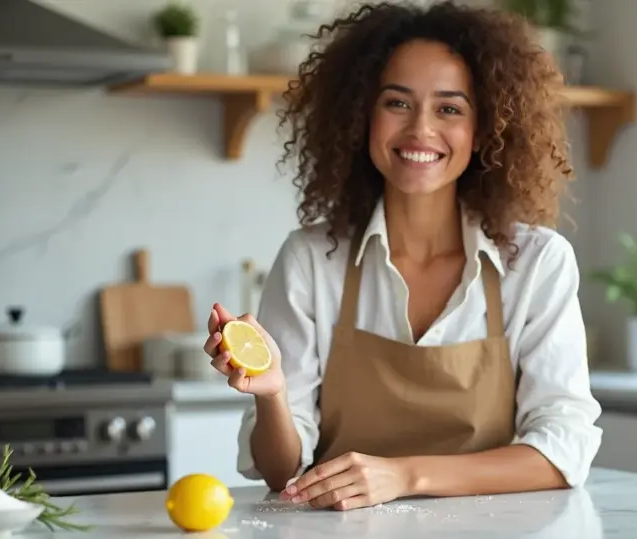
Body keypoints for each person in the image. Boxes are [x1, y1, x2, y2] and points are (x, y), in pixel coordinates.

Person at [204, 1, 602, 511]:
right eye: (397, 102)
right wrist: (272, 393)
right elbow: (281, 473)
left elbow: (563, 450)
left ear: (484, 130)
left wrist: (405, 475)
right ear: (361, 115)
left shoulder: (538, 262)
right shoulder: (311, 259)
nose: (420, 129)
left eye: (450, 108)